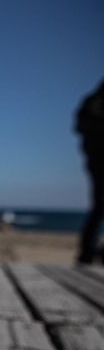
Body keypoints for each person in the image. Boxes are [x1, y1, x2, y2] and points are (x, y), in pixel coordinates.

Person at [76, 79, 104, 264]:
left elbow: (79, 126)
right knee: (99, 206)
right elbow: (80, 126)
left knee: (98, 206)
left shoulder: (91, 101)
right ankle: (87, 253)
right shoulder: (95, 102)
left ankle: (87, 253)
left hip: (95, 159)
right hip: (98, 159)